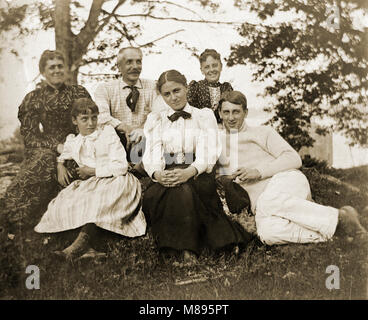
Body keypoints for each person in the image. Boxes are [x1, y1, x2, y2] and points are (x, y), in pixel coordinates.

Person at [216, 90, 368, 246]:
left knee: (268, 201)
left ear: (245, 112)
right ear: (220, 113)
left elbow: (293, 158)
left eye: (236, 112)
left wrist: (259, 172)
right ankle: (337, 230)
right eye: (226, 112)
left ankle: (339, 220)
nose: (231, 117)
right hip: (263, 206)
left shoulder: (262, 132)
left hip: (285, 180)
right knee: (267, 234)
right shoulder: (216, 142)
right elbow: (196, 160)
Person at [142, 70, 253, 265]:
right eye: (167, 94)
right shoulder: (155, 119)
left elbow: (208, 151)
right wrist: (158, 174)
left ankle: (182, 250)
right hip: (165, 172)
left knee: (185, 189)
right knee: (169, 191)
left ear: (186, 88)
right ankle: (209, 243)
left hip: (197, 172)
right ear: (161, 95)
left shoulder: (204, 115)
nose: (173, 97)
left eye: (177, 90)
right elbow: (150, 151)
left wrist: (189, 171)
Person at [34, 98, 146, 260]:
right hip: (92, 183)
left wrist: (92, 171)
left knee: (98, 202)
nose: (90, 123)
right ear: (75, 120)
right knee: (65, 202)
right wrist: (60, 165)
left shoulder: (106, 133)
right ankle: (86, 248)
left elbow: (121, 166)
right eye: (84, 119)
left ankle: (77, 247)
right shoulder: (74, 140)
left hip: (117, 179)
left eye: (94, 117)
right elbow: (64, 154)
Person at [0, 50, 91, 230]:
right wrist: (55, 147)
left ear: (65, 69)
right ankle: (11, 215)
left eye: (60, 66)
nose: (57, 70)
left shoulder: (78, 92)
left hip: (79, 146)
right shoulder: (33, 98)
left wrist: (71, 148)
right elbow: (30, 135)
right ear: (43, 72)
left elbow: (90, 123)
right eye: (51, 67)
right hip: (46, 149)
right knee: (44, 161)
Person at [94, 46, 160, 162]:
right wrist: (124, 127)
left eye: (138, 62)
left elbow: (158, 114)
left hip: (146, 140)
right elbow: (101, 116)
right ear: (119, 67)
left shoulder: (153, 87)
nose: (135, 67)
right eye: (129, 62)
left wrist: (142, 131)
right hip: (116, 143)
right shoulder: (105, 89)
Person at [187, 49, 233, 123]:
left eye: (215, 65)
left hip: (222, 129)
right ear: (202, 70)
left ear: (221, 66)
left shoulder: (226, 88)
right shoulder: (196, 87)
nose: (211, 70)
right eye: (207, 67)